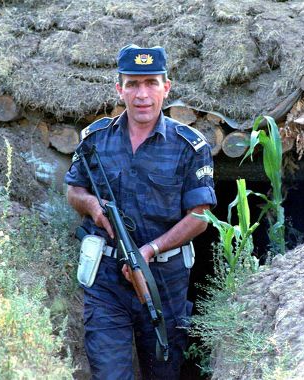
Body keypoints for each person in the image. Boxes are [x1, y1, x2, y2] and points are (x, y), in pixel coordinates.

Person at [65, 44, 217, 379]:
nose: (142, 94)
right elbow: (74, 189)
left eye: (151, 83)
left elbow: (200, 215)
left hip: (164, 282)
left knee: (163, 372)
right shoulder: (95, 139)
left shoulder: (190, 146)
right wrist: (92, 205)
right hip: (106, 280)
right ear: (119, 88)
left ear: (167, 87)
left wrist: (151, 249)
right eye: (133, 84)